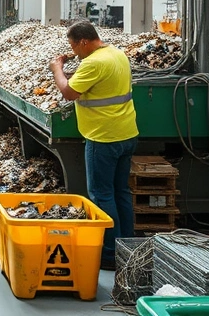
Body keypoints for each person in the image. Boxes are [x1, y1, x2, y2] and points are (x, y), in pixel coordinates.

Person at [49, 20, 138, 271]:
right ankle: (127, 247)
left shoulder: (93, 63)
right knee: (121, 192)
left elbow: (68, 92)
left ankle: (109, 254)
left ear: (84, 42)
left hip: (103, 138)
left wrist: (57, 68)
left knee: (101, 194)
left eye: (73, 46)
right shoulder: (117, 54)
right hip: (127, 133)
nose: (73, 51)